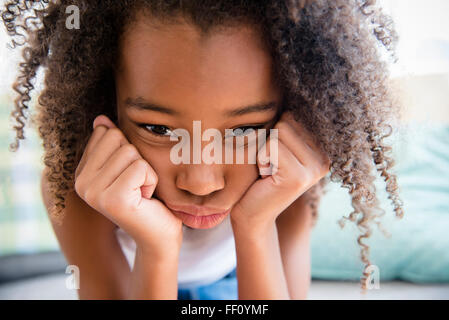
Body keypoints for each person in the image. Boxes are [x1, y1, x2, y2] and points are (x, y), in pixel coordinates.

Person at [3, 0, 404, 299]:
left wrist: (256, 225)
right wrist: (156, 247)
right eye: (158, 128)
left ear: (290, 115)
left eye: (244, 129)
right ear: (106, 105)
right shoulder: (78, 194)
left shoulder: (287, 185)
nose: (201, 181)